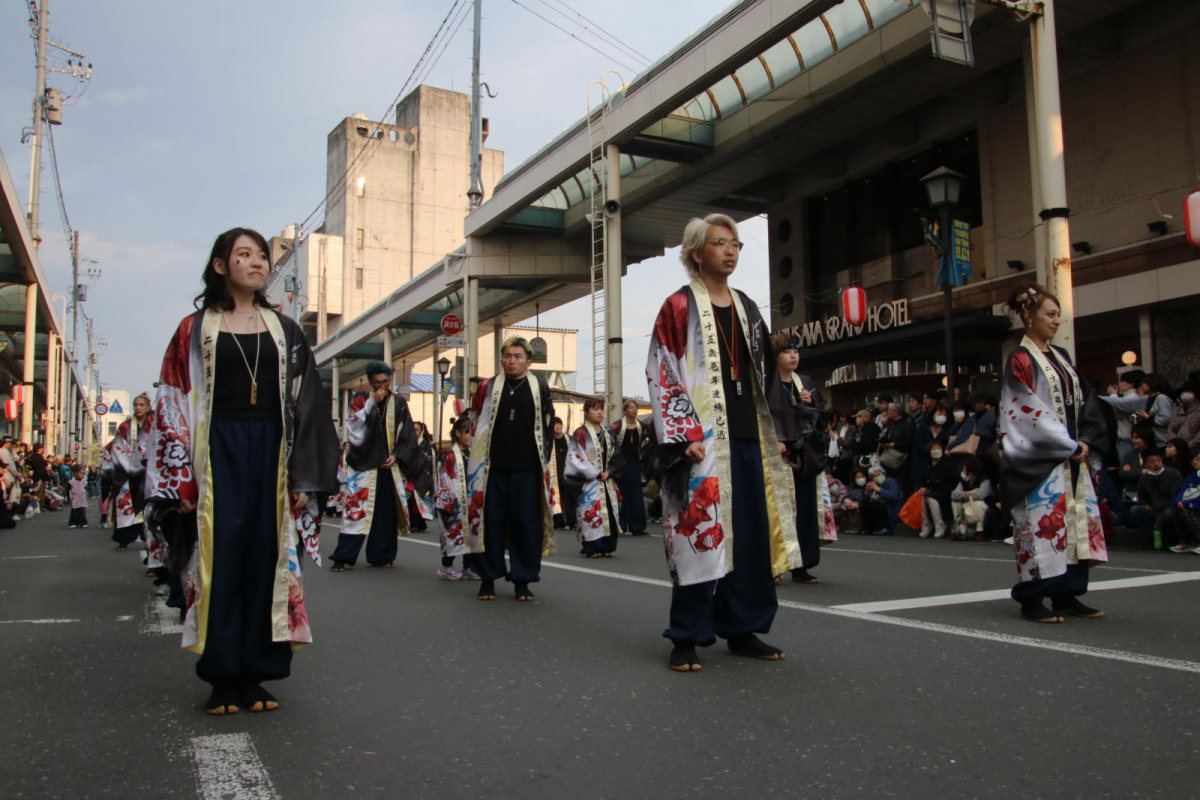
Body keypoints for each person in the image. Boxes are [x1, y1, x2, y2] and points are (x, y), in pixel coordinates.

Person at [143, 227, 339, 715]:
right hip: (215, 452)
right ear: (219, 266)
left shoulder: (286, 330)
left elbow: (307, 404)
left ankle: (257, 673)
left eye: (262, 256)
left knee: (264, 555)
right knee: (220, 556)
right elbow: (171, 404)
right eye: (244, 255)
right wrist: (179, 479)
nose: (257, 263)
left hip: (271, 451)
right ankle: (221, 675)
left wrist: (301, 475)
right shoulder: (194, 329)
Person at [645, 213, 801, 672]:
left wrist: (781, 432)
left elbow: (768, 377)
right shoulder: (677, 307)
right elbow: (662, 371)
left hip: (749, 436)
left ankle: (744, 627)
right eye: (720, 243)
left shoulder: (748, 307)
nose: (730, 250)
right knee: (699, 534)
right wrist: (681, 436)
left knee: (750, 536)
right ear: (697, 253)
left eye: (735, 244)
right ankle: (686, 635)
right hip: (703, 440)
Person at [999, 284, 1109, 624]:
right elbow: (1022, 411)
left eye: (1058, 314)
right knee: (1041, 526)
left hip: (1071, 457)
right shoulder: (1020, 359)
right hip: (1042, 462)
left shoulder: (1062, 357)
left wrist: (1086, 440)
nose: (1056, 321)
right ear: (1028, 316)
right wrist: (1068, 444)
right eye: (1049, 314)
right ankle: (1031, 598)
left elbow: (1087, 402)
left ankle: (1066, 594)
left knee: (1072, 524)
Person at [465, 336, 557, 602]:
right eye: (507, 356)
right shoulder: (487, 386)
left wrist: (546, 459)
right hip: (491, 468)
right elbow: (474, 422)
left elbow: (548, 424)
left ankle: (522, 580)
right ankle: (487, 578)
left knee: (526, 525)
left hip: (527, 468)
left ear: (528, 361)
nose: (511, 361)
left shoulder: (539, 386)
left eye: (518, 357)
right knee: (489, 522)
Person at [330, 361, 426, 572]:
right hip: (364, 465)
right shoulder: (360, 399)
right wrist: (371, 403)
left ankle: (381, 555)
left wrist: (397, 456)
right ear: (370, 382)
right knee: (356, 511)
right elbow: (354, 428)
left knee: (385, 513)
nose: (382, 386)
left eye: (385, 381)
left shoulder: (399, 402)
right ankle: (342, 556)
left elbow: (407, 433)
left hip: (388, 466)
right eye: (377, 383)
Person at [766, 333, 831, 584]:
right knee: (778, 511)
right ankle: (774, 565)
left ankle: (801, 566)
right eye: (787, 352)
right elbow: (762, 419)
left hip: (804, 456)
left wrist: (812, 402)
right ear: (775, 357)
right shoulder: (766, 384)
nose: (793, 356)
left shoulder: (805, 382)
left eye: (796, 351)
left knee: (804, 511)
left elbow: (824, 418)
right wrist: (775, 441)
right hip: (777, 454)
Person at [566, 397, 624, 558]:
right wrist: (596, 473)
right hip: (589, 483)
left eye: (601, 409)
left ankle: (608, 546)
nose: (600, 412)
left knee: (610, 514)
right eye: (595, 409)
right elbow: (575, 458)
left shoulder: (609, 433)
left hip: (608, 482)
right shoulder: (581, 433)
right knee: (590, 513)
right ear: (586, 412)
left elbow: (618, 456)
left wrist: (610, 471)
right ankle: (592, 547)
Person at [104, 395, 156, 554]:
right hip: (128, 473)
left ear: (148, 407)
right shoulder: (125, 427)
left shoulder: (154, 424)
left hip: (149, 473)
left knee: (149, 511)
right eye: (136, 404)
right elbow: (118, 449)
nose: (138, 407)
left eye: (141, 404)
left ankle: (150, 542)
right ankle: (124, 539)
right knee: (126, 506)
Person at [434, 416, 478, 580]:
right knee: (452, 534)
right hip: (455, 501)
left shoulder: (472, 452)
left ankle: (469, 566)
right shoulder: (450, 455)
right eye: (467, 432)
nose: (470, 436)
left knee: (471, 535)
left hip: (470, 500)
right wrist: (455, 498)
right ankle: (446, 566)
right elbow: (445, 478)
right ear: (458, 433)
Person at [1126, 449, 1182, 549]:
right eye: (1151, 462)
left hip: (1171, 508)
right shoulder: (1145, 478)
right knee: (1135, 510)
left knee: (1169, 513)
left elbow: (1176, 495)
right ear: (1146, 465)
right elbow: (1142, 497)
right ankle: (1150, 538)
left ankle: (1169, 540)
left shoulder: (1173, 474)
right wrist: (1146, 505)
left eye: (1158, 460)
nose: (1156, 464)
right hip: (1155, 509)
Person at [611, 399, 649, 536]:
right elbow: (609, 442)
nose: (634, 410)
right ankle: (620, 525)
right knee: (621, 494)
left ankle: (637, 526)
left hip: (635, 463)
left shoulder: (642, 426)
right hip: (620, 465)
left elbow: (647, 443)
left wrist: (642, 455)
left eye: (635, 407)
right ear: (625, 411)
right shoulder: (617, 426)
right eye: (631, 408)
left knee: (636, 494)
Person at [1105, 369, 1145, 462]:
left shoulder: (1132, 399)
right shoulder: (1130, 397)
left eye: (1121, 381)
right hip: (1125, 439)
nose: (1119, 384)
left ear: (1130, 384)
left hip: (1126, 439)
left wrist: (1113, 395)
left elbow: (1114, 410)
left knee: (1127, 467)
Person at [917, 440, 955, 539]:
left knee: (931, 498)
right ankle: (926, 524)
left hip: (945, 491)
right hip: (931, 490)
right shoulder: (927, 465)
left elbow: (952, 480)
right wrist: (922, 488)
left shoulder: (948, 464)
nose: (936, 450)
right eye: (933, 449)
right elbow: (921, 479)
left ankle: (939, 524)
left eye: (938, 448)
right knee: (920, 496)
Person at [950, 457, 993, 541]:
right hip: (966, 504)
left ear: (971, 473)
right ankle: (960, 528)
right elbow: (953, 495)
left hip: (979, 508)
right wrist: (968, 493)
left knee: (978, 502)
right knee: (954, 502)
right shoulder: (963, 481)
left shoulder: (985, 481)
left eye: (964, 470)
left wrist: (963, 495)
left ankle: (979, 531)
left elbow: (980, 495)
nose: (962, 472)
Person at [1169, 450, 1200, 555]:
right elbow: (1182, 491)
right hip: (1190, 505)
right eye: (1198, 459)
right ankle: (1185, 541)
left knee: (1187, 512)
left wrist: (1187, 503)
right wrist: (1178, 502)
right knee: (1175, 510)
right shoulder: (1191, 476)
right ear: (1192, 463)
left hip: (1195, 505)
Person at [548, 417, 575, 530]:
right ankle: (558, 522)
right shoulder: (549, 441)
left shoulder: (569, 439)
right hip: (554, 474)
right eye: (555, 424)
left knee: (570, 499)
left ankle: (572, 521)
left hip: (567, 474)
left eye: (559, 424)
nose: (557, 426)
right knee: (555, 498)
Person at [862, 465, 903, 535]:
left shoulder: (891, 482)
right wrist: (867, 492)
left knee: (876, 505)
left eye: (878, 474)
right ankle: (868, 528)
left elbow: (894, 496)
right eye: (874, 476)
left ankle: (884, 528)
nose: (877, 477)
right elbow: (866, 499)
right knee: (866, 505)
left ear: (883, 474)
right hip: (881, 507)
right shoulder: (874, 485)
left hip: (891, 508)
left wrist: (879, 490)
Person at [1167, 379, 1200, 452]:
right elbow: (1171, 428)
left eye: (1189, 392)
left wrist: (1187, 446)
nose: (1185, 394)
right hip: (1176, 449)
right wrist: (1175, 445)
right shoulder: (1178, 410)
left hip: (1194, 450)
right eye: (1184, 392)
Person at [839, 467, 869, 535]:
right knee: (848, 506)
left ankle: (860, 526)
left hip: (863, 504)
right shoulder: (851, 486)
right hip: (852, 503)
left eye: (862, 476)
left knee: (856, 507)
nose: (861, 479)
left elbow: (868, 498)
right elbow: (846, 496)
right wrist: (846, 500)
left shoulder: (869, 485)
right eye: (858, 477)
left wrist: (858, 503)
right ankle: (853, 525)